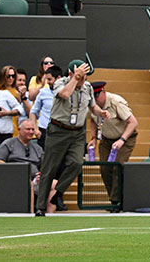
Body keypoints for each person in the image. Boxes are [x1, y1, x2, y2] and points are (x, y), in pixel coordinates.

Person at [35, 60, 109, 216]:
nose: (84, 79)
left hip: (77, 132)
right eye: (82, 76)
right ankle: (41, 207)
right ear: (71, 74)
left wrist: (100, 112)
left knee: (77, 163)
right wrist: (76, 78)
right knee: (49, 168)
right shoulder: (60, 83)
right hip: (58, 130)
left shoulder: (87, 87)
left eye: (85, 76)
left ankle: (58, 193)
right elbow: (64, 94)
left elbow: (92, 106)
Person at [90, 81, 138, 200]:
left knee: (118, 167)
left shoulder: (116, 102)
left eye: (97, 95)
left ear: (104, 92)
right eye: (93, 96)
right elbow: (92, 119)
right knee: (105, 168)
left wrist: (122, 139)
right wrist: (94, 138)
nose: (95, 99)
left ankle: (116, 201)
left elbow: (133, 122)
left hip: (124, 137)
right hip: (107, 139)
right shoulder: (91, 105)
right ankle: (114, 199)